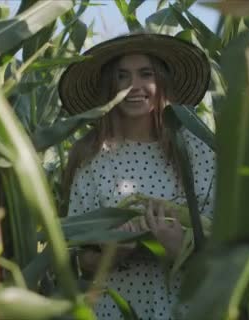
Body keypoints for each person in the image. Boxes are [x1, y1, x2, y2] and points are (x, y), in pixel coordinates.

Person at [58, 32, 215, 320]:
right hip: (114, 308)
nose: (134, 86)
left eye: (146, 74)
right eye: (122, 76)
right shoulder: (91, 157)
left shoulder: (198, 152)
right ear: (110, 86)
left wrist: (181, 248)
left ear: (163, 82)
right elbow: (81, 256)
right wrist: (112, 253)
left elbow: (228, 247)